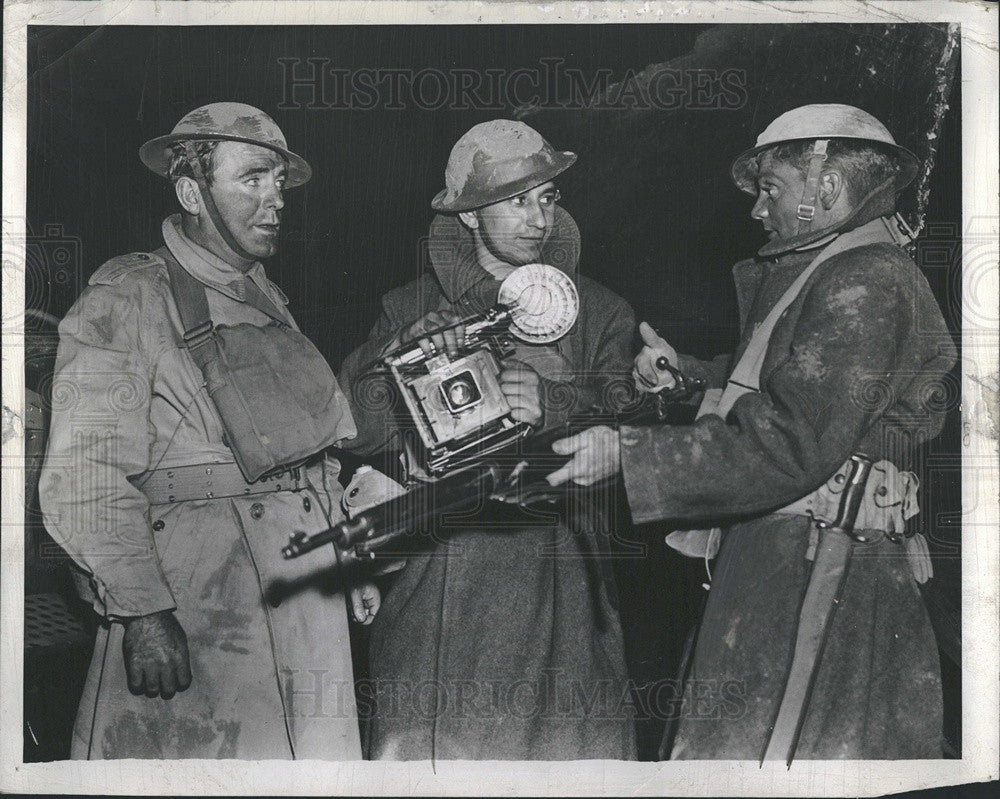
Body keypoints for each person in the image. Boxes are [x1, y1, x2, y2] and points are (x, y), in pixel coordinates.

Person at [547, 104, 957, 759]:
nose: (757, 210)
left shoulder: (869, 279)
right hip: (796, 556)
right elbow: (792, 387)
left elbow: (792, 438)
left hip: (824, 572)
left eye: (772, 188)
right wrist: (685, 379)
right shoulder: (836, 268)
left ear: (826, 189)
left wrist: (630, 455)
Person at [39, 103, 378, 759]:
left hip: (304, 584)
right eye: (252, 178)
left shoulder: (269, 300)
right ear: (192, 190)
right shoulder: (127, 295)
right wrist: (142, 610)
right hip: (204, 599)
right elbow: (85, 470)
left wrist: (347, 553)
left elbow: (312, 452)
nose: (275, 200)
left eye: (279, 182)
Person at [338, 120, 638, 760]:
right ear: (469, 216)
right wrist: (417, 344)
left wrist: (554, 405)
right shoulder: (409, 305)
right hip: (435, 577)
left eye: (547, 198)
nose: (539, 220)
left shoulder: (604, 312)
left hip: (563, 580)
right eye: (516, 201)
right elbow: (354, 428)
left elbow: (637, 442)